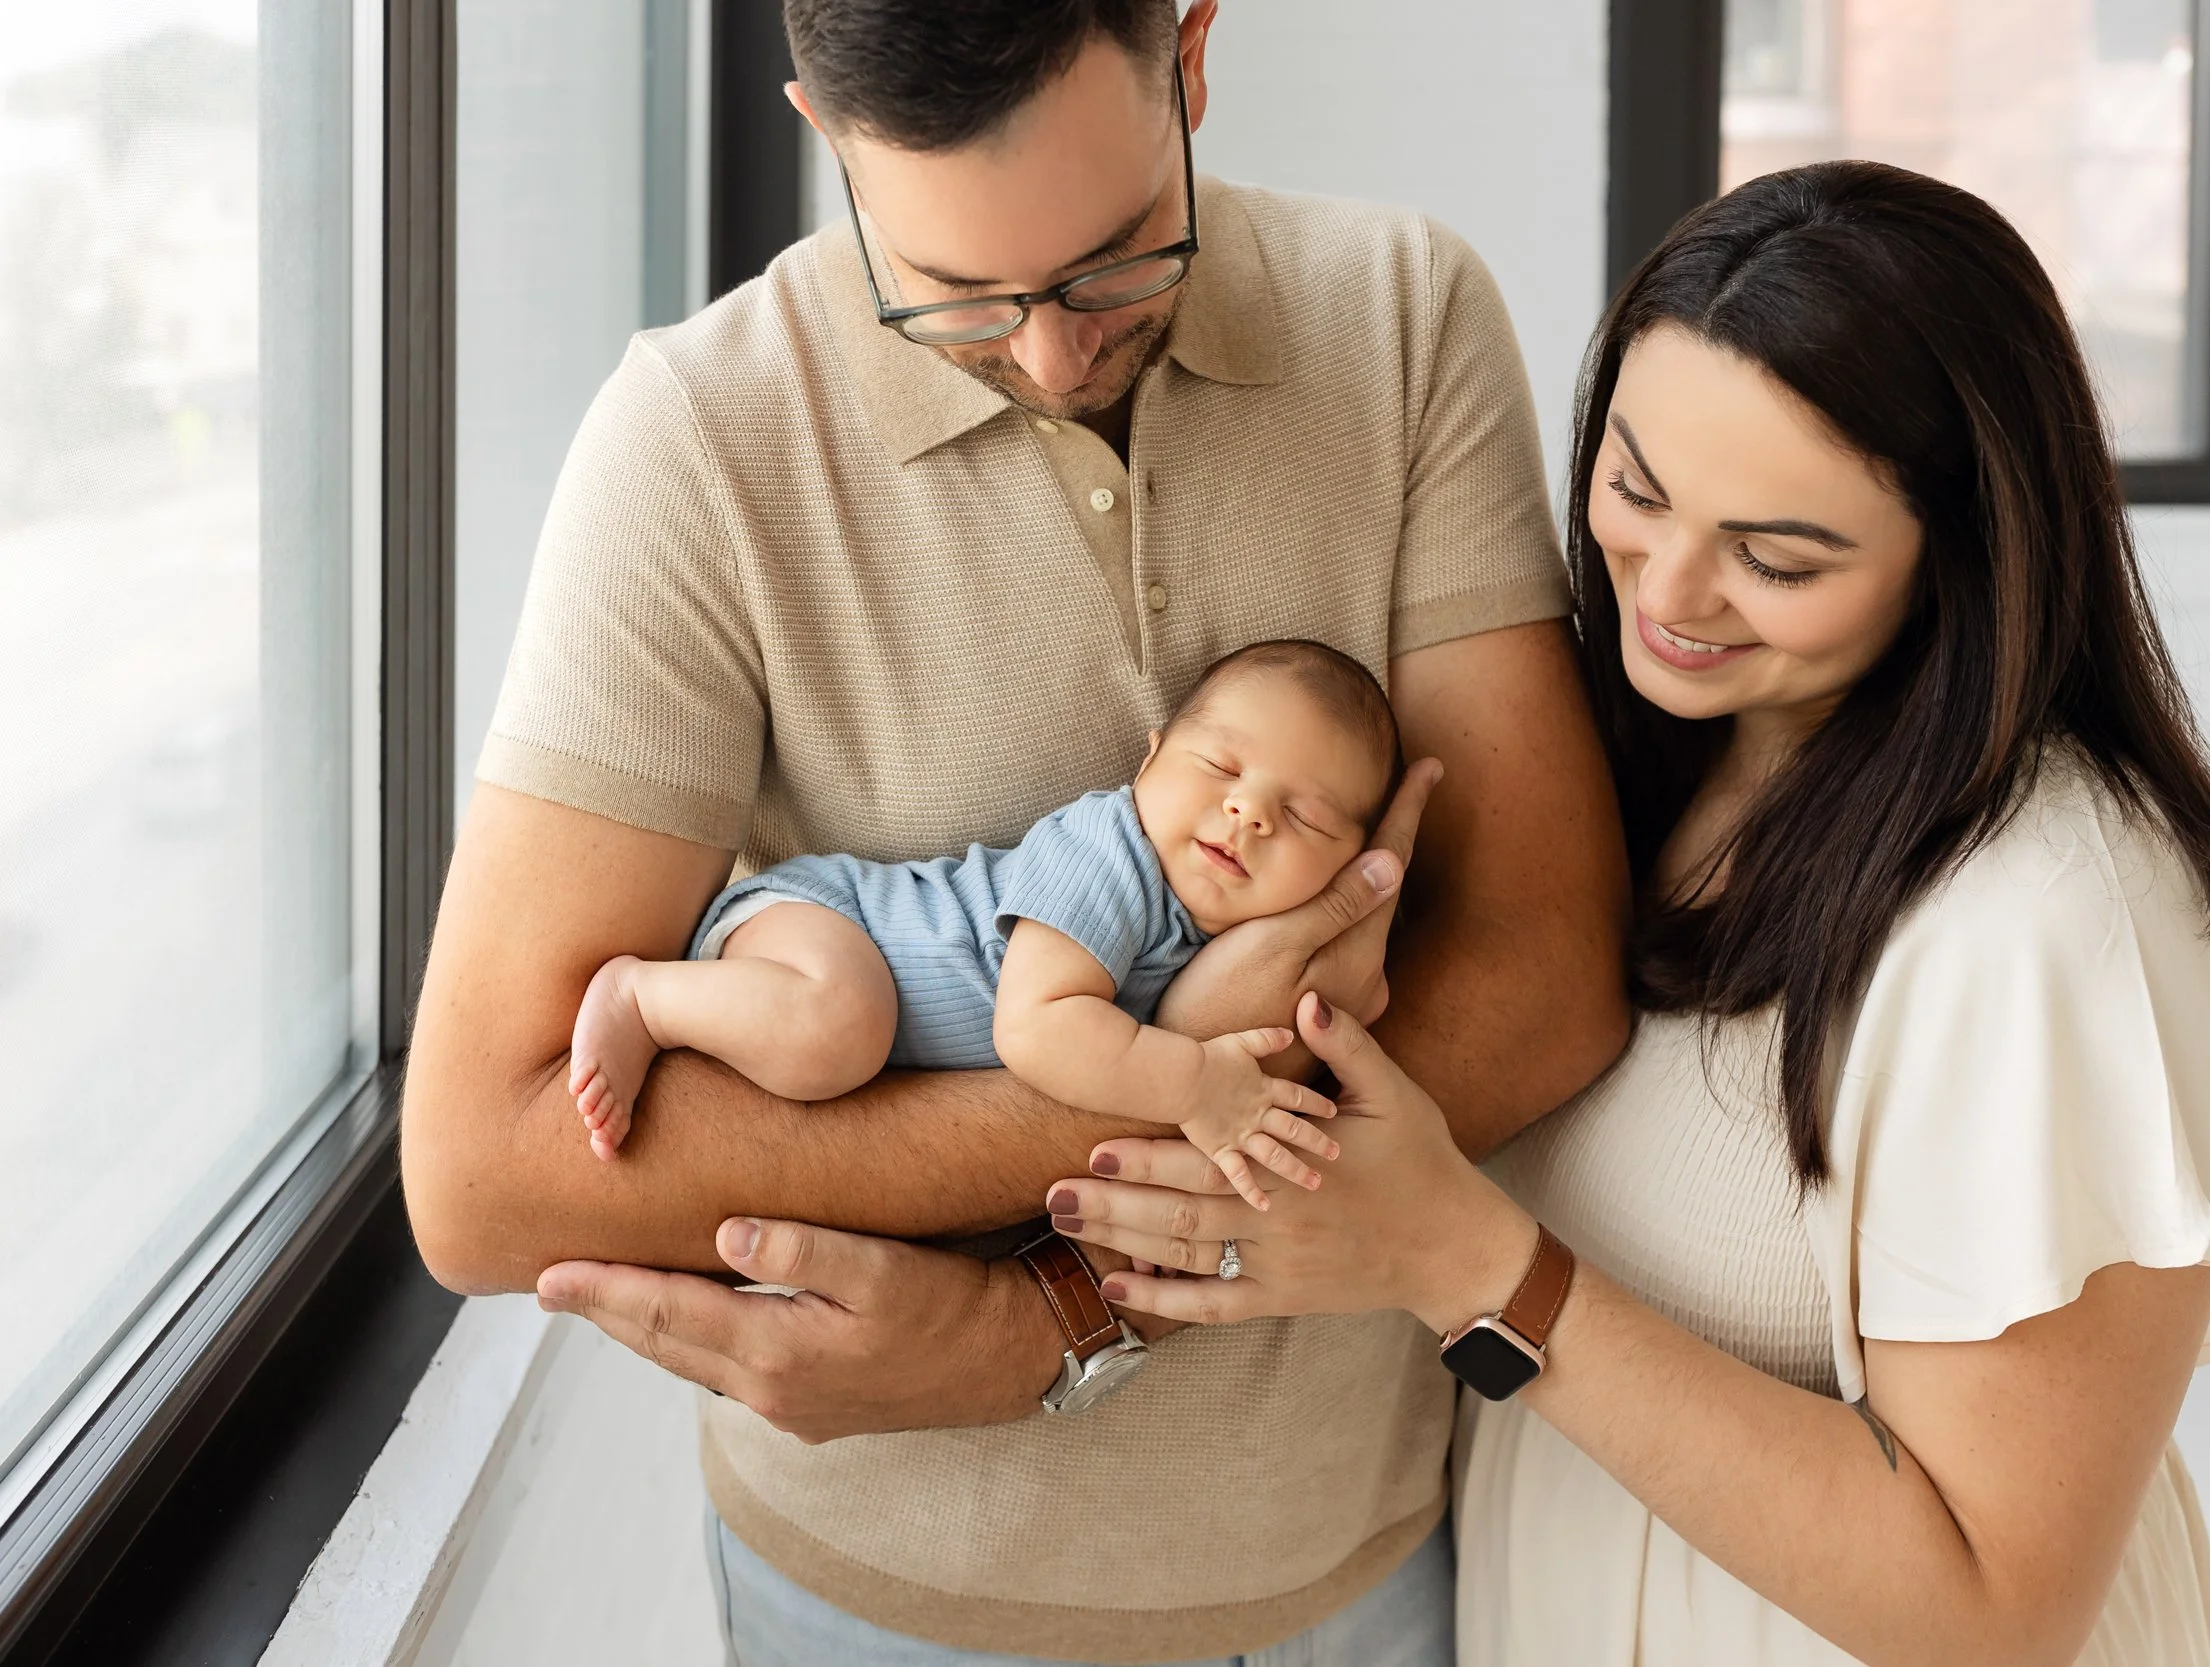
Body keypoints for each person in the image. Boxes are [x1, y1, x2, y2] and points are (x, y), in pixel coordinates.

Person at [398, 0, 1629, 1661]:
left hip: (1351, 1557)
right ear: (827, 137)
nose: (1053, 353)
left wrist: (1044, 1313)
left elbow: (1547, 976)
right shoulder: (695, 441)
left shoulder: (1403, 317)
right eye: (958, 294)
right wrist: (1186, 1061)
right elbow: (482, 1174)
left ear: (1190, 54)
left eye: (1117, 259)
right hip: (879, 1596)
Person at [1047, 161, 2210, 1666]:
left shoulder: (2058, 917)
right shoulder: (1626, 765)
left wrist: (1475, 1265)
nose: (1669, 586)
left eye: (1778, 556)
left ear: (1969, 560)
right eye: (1637, 487)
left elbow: (1994, 1608)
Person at [568, 641, 1394, 1213]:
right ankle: (643, 995)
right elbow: (1038, 1029)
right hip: (824, 922)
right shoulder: (1109, 852)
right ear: (1149, 760)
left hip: (834, 960)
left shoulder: (1221, 934)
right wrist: (1197, 1084)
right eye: (1219, 767)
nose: (1248, 811)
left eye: (1306, 819)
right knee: (840, 1026)